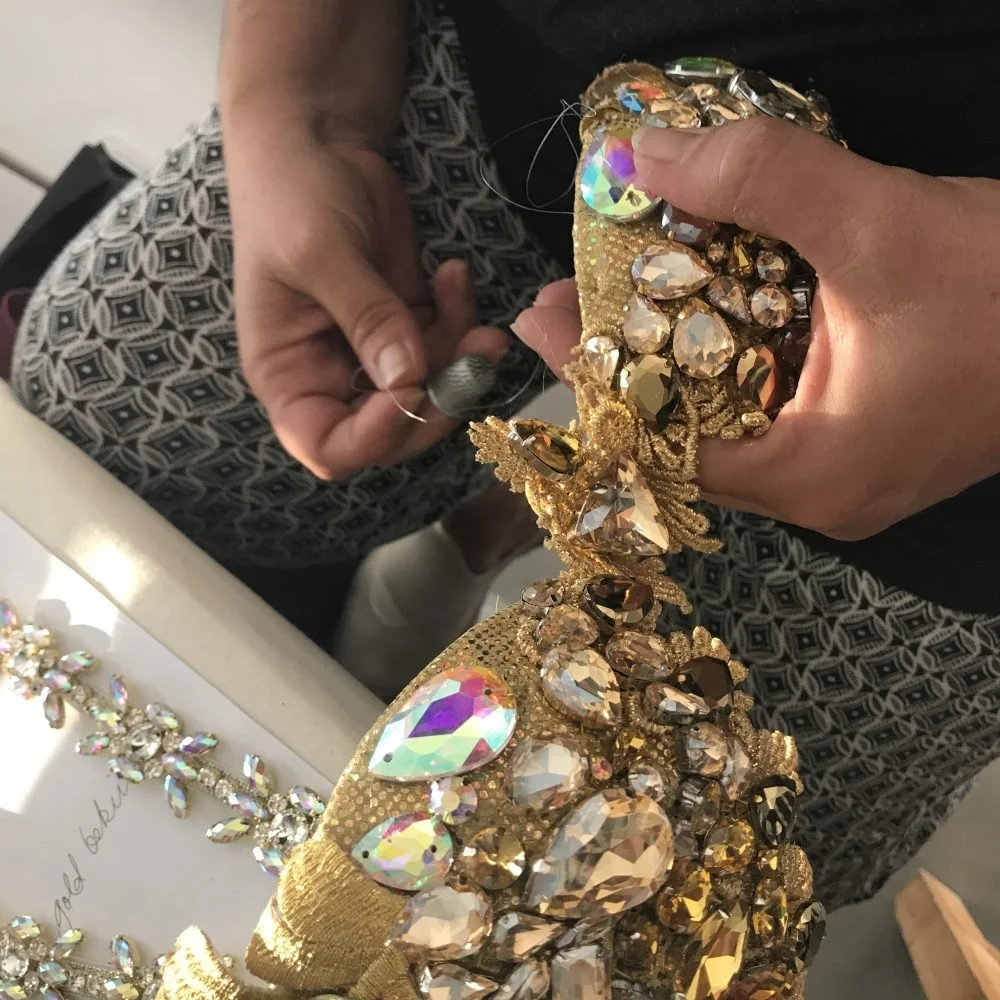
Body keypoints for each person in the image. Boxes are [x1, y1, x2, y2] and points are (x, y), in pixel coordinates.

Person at [10, 0, 1000, 909]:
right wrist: (298, 91)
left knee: (721, 854)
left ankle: (497, 522)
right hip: (538, 58)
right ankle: (495, 519)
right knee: (95, 438)